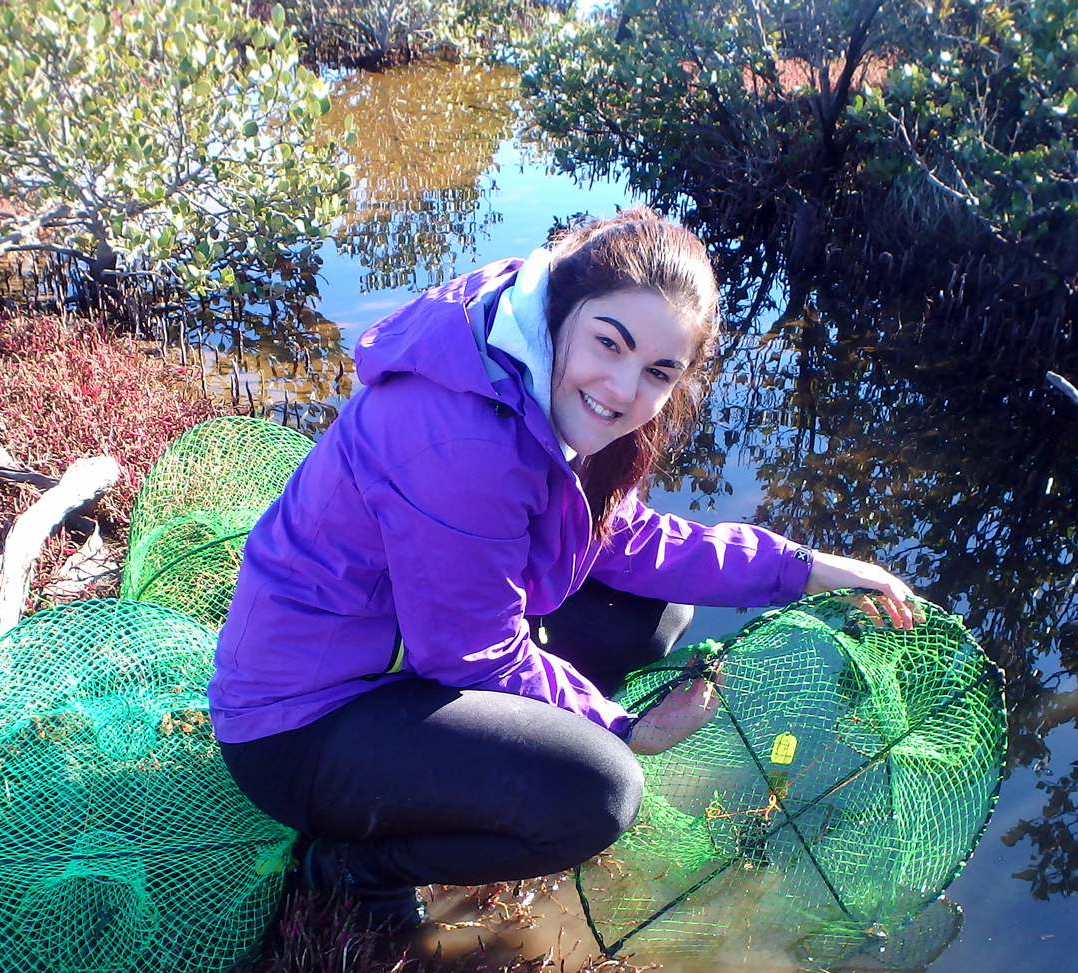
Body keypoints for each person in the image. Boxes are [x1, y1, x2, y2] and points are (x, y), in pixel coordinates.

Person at [209, 208, 916, 930]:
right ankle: (356, 870)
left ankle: (504, 764)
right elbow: (472, 655)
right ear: (566, 308)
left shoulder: (529, 358)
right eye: (609, 344)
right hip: (300, 723)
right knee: (601, 792)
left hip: (399, 657)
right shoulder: (462, 437)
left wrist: (804, 568)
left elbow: (629, 539)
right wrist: (618, 730)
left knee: (652, 613)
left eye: (658, 372)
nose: (621, 389)